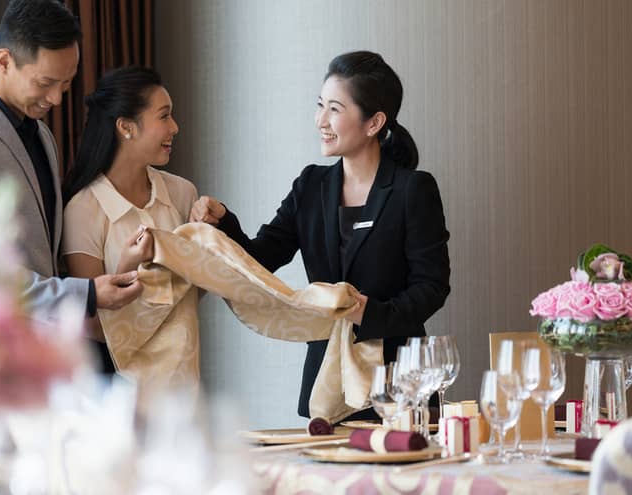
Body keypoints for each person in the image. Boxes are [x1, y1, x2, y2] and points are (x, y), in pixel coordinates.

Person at [190, 51, 451, 419]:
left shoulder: (413, 189)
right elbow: (261, 258)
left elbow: (432, 286)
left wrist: (369, 313)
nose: (320, 121)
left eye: (334, 109)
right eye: (320, 106)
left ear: (374, 122)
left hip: (400, 382)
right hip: (326, 380)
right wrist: (224, 222)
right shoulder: (311, 185)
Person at [0, 0, 141, 324]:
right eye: (45, 83)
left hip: (39, 346)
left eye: (66, 83)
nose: (56, 98)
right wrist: (88, 295)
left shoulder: (41, 134)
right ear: (4, 61)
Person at [61, 66, 197, 372]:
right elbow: (92, 324)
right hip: (116, 385)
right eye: (164, 116)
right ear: (126, 127)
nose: (174, 127)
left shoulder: (182, 194)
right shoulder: (83, 209)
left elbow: (192, 296)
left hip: (179, 378)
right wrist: (129, 266)